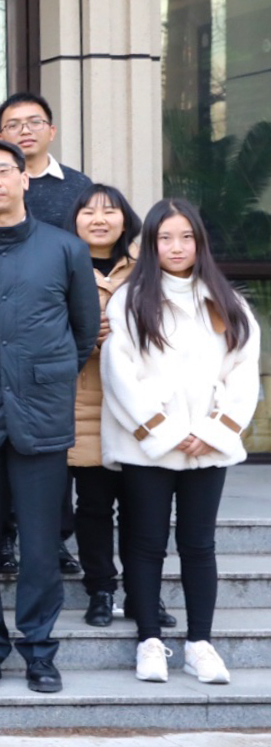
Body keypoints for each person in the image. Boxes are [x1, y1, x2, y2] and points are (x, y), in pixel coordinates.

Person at [0, 139, 98, 693]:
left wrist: (42, 375)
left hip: (42, 415)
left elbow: (83, 332)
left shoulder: (66, 249)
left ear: (23, 179)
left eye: (2, 171)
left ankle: (39, 650)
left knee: (39, 545)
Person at [103, 199, 261, 686]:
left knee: (199, 545)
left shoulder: (227, 302)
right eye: (165, 238)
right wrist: (168, 431)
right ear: (150, 244)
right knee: (146, 543)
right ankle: (149, 640)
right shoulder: (130, 301)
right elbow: (120, 375)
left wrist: (212, 431)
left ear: (200, 242)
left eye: (186, 237)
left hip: (207, 449)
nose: (176, 247)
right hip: (148, 447)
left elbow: (242, 374)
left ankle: (200, 643)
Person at [71, 185, 142, 627]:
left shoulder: (147, 269)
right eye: (89, 211)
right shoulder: (63, 264)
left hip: (139, 410)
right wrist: (84, 335)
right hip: (84, 406)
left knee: (141, 510)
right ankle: (100, 589)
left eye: (109, 211)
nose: (99, 219)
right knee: (94, 506)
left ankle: (142, 593)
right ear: (74, 220)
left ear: (125, 220)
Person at [0, 93, 93, 234]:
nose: (25, 131)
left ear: (52, 132)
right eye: (13, 125)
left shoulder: (80, 184)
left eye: (35, 122)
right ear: (0, 139)